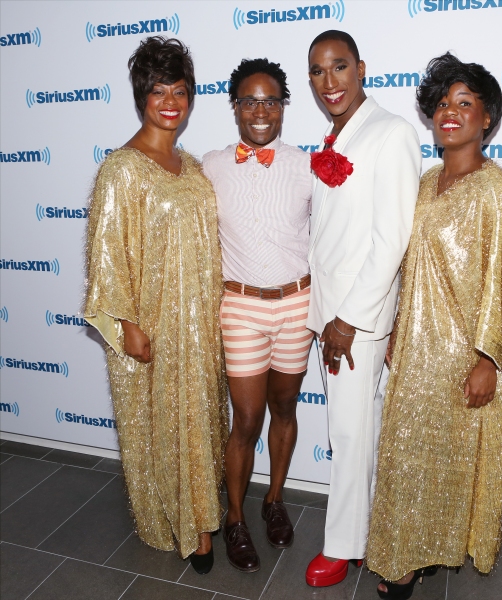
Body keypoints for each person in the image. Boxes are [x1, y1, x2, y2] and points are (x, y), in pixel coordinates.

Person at [366, 53, 502, 599]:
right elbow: (411, 265)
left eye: (465, 103)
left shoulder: (495, 190)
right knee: (410, 457)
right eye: (441, 105)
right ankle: (410, 550)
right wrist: (393, 329)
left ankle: (407, 563)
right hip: (415, 348)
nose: (450, 113)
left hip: (464, 357)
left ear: (488, 118)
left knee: (446, 464)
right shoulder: (426, 181)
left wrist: (489, 359)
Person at [85, 36, 228, 575]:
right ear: (141, 96)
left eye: (181, 91)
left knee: (201, 423)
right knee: (167, 425)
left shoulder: (190, 166)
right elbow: (106, 254)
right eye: (159, 91)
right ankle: (188, 528)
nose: (171, 101)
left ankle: (200, 512)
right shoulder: (122, 169)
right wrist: (124, 323)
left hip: (201, 326)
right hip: (154, 325)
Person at [304, 30, 421, 587]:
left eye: (339, 67)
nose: (330, 81)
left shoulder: (391, 133)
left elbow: (391, 238)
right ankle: (360, 532)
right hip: (327, 315)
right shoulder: (335, 137)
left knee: (351, 433)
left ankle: (344, 546)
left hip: (356, 321)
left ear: (361, 69)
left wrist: (349, 320)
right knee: (348, 429)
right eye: (318, 72)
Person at [202, 58, 313, 573]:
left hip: (297, 305)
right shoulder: (211, 166)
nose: (261, 111)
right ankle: (234, 518)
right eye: (251, 100)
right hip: (240, 307)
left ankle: (274, 501)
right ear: (235, 107)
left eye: (271, 100)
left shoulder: (308, 165)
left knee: (285, 408)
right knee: (246, 418)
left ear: (284, 106)